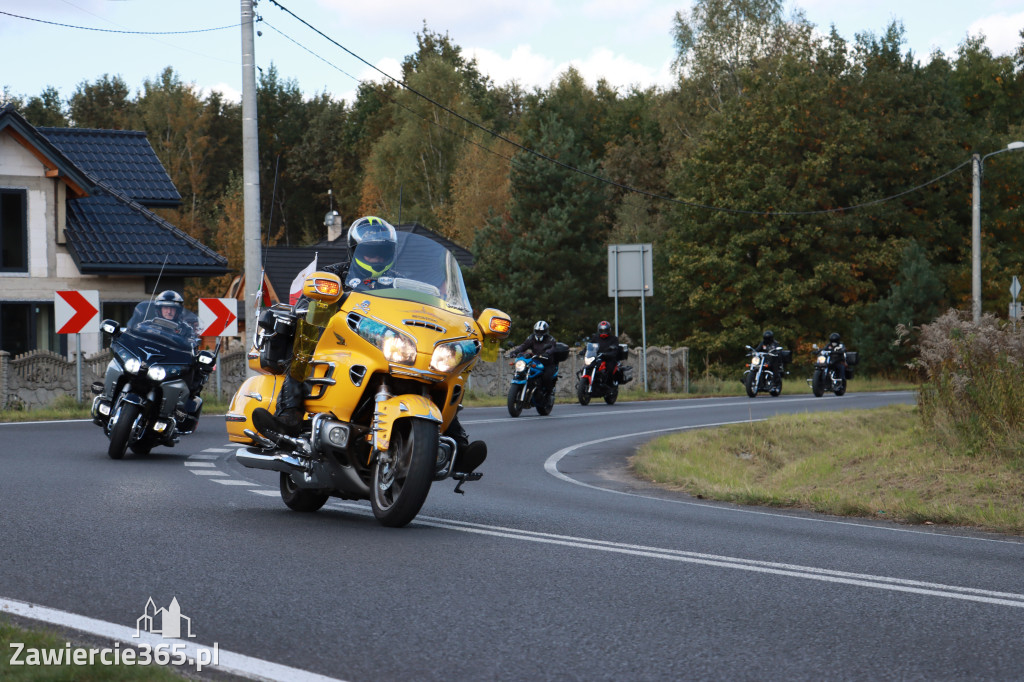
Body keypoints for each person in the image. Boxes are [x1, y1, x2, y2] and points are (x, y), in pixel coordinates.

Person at [251, 216, 487, 475]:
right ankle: (289, 414)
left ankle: (455, 440)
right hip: (342, 342)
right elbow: (305, 305)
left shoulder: (402, 284)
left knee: (439, 375)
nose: (376, 258)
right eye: (370, 252)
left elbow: (424, 312)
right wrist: (318, 305)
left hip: (387, 346)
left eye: (381, 252)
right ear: (355, 250)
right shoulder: (335, 275)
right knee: (306, 342)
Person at [507, 320, 558, 394]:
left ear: (546, 331)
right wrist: (515, 351)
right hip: (535, 360)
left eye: (541, 332)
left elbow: (552, 348)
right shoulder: (531, 338)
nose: (539, 333)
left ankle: (548, 393)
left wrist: (547, 353)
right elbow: (524, 346)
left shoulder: (550, 339)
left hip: (547, 362)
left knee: (546, 377)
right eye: (537, 331)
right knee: (524, 371)